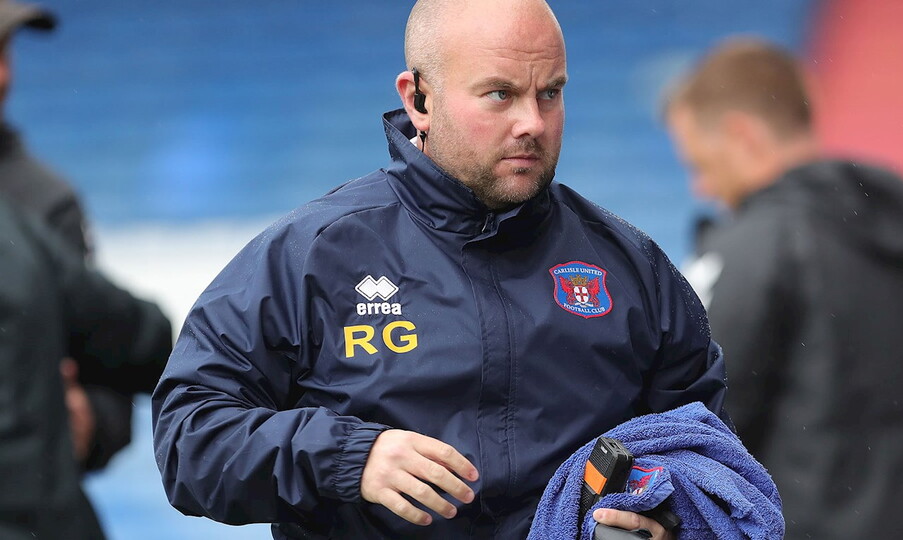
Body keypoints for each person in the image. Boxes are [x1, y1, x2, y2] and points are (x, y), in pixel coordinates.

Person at [152, 1, 729, 538]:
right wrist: (350, 457)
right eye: (500, 94)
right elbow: (189, 440)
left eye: (550, 93)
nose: (532, 122)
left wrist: (667, 515)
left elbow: (704, 452)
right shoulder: (312, 256)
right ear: (418, 100)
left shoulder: (632, 267)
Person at [664, 38, 903, 539]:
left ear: (741, 135)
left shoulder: (753, 249)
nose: (703, 187)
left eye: (700, 165)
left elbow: (694, 426)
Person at [0, 0, 139, 472]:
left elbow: (110, 379)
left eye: (4, 52)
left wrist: (88, 424)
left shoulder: (46, 201)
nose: (2, 76)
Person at [0, 196, 172, 539]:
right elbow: (150, 341)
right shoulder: (14, 233)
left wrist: (93, 418)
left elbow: (143, 342)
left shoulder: (43, 198)